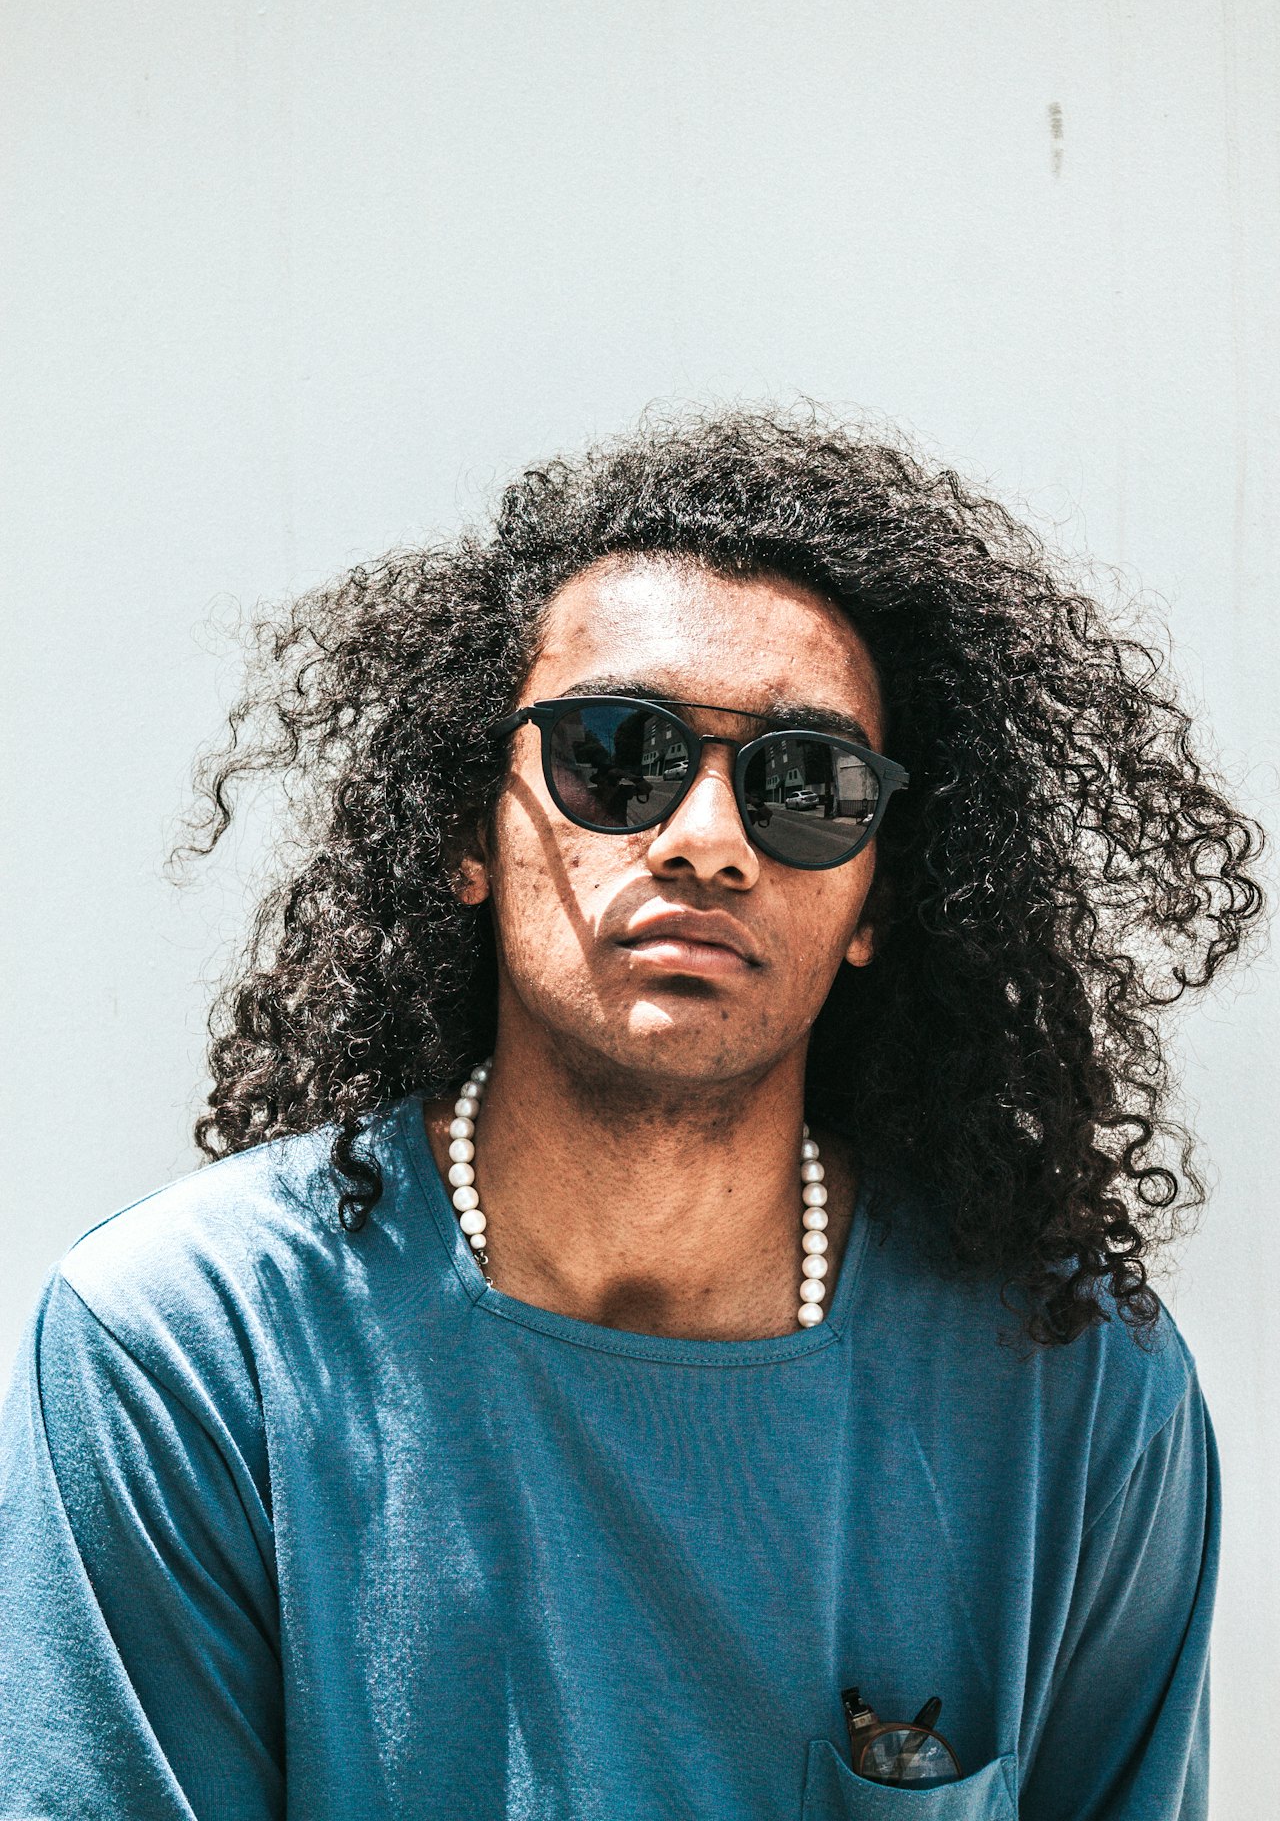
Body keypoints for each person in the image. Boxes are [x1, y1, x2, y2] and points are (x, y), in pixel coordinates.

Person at [0, 410, 1264, 1820]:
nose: (707, 840)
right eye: (615, 754)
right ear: (468, 836)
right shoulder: (189, 1352)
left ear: (876, 901)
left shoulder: (1069, 1391)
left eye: (808, 785)